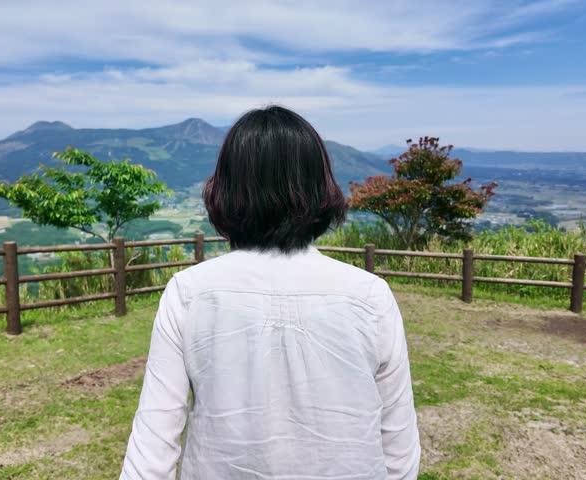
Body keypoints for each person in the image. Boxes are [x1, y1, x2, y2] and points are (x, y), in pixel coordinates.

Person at [121, 106, 420, 479]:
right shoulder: (370, 296)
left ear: (225, 190)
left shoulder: (189, 293)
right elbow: (399, 448)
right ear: (320, 188)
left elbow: (152, 447)